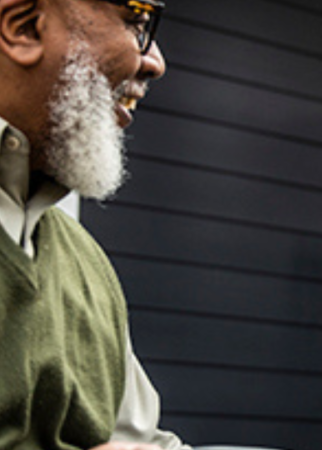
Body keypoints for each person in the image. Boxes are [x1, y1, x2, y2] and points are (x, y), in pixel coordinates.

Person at [0, 0, 187, 449]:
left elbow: (143, 442)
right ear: (24, 27)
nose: (155, 62)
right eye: (138, 23)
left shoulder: (84, 261)